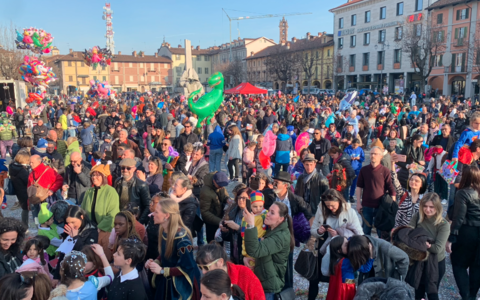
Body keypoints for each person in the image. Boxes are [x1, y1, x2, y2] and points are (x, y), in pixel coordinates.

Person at [309, 189, 363, 300]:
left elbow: (360, 235)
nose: (330, 208)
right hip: (323, 247)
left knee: (338, 282)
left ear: (339, 201)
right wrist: (319, 232)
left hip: (342, 251)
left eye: (333, 205)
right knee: (314, 279)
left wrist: (340, 234)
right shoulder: (321, 209)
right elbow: (313, 230)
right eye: (327, 205)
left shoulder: (350, 212)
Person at [145, 199, 201, 300]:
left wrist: (162, 271)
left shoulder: (182, 240)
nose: (153, 214)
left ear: (166, 216)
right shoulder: (164, 231)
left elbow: (187, 267)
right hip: (167, 281)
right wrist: (156, 262)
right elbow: (166, 254)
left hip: (179, 286)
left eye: (157, 212)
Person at [243, 201, 293, 300]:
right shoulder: (273, 229)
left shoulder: (280, 237)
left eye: (272, 213)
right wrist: (248, 258)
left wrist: (251, 225)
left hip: (270, 286)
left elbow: (255, 250)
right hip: (265, 280)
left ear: (281, 219)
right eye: (268, 210)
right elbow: (262, 252)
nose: (267, 214)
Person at [447, 165, 480, 300]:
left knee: (458, 264)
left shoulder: (463, 193)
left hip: (467, 232)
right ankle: (472, 295)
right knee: (476, 266)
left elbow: (458, 218)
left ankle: (467, 296)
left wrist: (451, 238)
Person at [408, 193, 450, 300]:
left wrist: (419, 241)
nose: (428, 210)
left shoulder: (443, 224)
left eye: (431, 207)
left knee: (432, 292)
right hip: (419, 260)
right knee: (418, 291)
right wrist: (425, 244)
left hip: (436, 263)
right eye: (425, 206)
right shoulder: (417, 217)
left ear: (437, 207)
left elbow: (437, 248)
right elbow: (408, 236)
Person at [81, 164, 120, 261]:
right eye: (93, 175)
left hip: (105, 231)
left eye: (98, 175)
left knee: (104, 258)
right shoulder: (89, 192)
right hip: (90, 230)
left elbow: (113, 213)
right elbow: (82, 210)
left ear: (104, 177)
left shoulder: (111, 191)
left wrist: (100, 227)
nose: (94, 177)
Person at [355, 146, 396, 235]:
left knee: (380, 231)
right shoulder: (364, 170)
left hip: (381, 206)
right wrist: (358, 203)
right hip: (366, 205)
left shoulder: (385, 171)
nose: (373, 156)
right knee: (366, 231)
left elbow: (390, 187)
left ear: (381, 156)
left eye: (375, 154)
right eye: (371, 154)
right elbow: (359, 187)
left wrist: (393, 204)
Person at [220, 186, 253, 264]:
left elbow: (253, 235)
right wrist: (225, 231)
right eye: (239, 198)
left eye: (244, 198)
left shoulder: (252, 214)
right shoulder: (234, 212)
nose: (241, 200)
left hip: (246, 254)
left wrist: (238, 228)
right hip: (235, 251)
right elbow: (228, 237)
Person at [391, 159, 428, 227]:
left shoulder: (425, 199)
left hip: (416, 232)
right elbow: (394, 180)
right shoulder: (403, 194)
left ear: (422, 184)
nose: (413, 182)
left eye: (416, 181)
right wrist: (392, 164)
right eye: (411, 180)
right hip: (400, 230)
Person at [114, 158, 151, 224]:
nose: (125, 170)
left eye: (128, 168)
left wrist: (139, 222)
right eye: (123, 168)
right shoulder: (117, 181)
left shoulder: (142, 185)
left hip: (133, 220)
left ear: (134, 169)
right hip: (119, 218)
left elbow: (148, 206)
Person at [28, 154, 63, 219]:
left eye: (32, 162)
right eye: (30, 162)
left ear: (39, 162)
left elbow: (59, 180)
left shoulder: (49, 171)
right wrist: (29, 202)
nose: (30, 164)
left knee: (48, 219)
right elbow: (29, 188)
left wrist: (52, 189)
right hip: (35, 201)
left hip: (47, 200)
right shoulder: (31, 174)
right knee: (37, 220)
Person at [200, 171, 231, 242]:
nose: (221, 187)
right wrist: (219, 221)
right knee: (213, 244)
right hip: (212, 222)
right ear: (214, 181)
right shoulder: (205, 192)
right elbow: (205, 212)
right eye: (220, 185)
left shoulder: (221, 184)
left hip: (220, 218)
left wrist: (227, 199)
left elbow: (224, 195)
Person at [8, 151, 30, 227]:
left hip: (18, 191)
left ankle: (25, 225)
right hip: (24, 191)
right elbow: (28, 181)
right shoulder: (22, 171)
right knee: (26, 209)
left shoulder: (12, 166)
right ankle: (25, 226)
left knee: (24, 208)